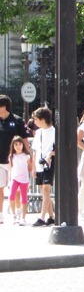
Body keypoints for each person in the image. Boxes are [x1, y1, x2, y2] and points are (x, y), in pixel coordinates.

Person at [0, 94, 27, 224]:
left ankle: (17, 213)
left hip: (15, 162)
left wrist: (29, 159)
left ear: (3, 107)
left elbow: (25, 140)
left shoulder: (17, 121)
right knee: (0, 188)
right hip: (0, 161)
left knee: (14, 189)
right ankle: (0, 215)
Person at [31, 107, 56, 227]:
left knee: (46, 189)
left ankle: (42, 217)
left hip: (49, 164)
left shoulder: (55, 131)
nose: (34, 122)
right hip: (39, 164)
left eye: (36, 119)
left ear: (43, 119)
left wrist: (50, 154)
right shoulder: (39, 132)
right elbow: (35, 150)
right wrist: (33, 167)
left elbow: (58, 149)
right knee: (43, 190)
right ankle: (51, 216)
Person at [8, 136, 32, 225]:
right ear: (13, 146)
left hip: (24, 179)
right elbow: (10, 169)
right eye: (16, 144)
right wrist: (9, 181)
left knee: (24, 198)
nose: (18, 146)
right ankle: (14, 215)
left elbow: (30, 167)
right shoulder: (12, 156)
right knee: (11, 196)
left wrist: (29, 181)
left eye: (20, 144)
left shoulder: (27, 156)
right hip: (15, 178)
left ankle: (23, 217)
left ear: (23, 145)